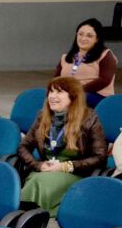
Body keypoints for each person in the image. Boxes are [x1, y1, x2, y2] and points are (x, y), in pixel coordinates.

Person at [18, 76, 106, 216]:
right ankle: (27, 218)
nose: (52, 96)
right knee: (37, 179)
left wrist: (66, 166)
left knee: (39, 182)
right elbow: (23, 147)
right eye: (50, 92)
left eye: (59, 92)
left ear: (73, 96)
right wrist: (38, 165)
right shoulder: (43, 116)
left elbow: (100, 157)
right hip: (44, 171)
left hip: (74, 173)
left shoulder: (89, 118)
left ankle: (25, 218)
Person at [54, 18, 117, 108]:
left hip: (96, 96)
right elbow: (56, 79)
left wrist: (76, 90)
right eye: (80, 34)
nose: (83, 38)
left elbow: (104, 80)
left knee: (71, 99)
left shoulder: (105, 55)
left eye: (89, 36)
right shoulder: (65, 57)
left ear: (97, 39)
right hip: (69, 94)